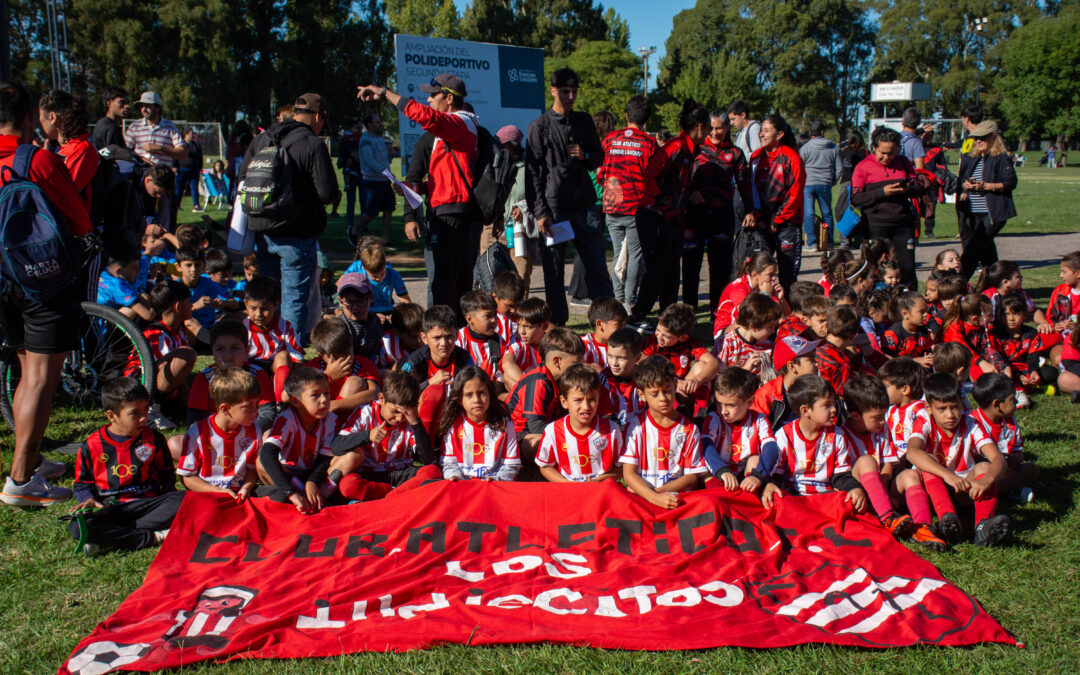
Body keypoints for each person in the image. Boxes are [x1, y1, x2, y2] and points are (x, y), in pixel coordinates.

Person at [0, 82, 95, 506]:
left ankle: (31, 460)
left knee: (25, 372)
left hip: (1, 280)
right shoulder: (34, 158)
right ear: (26, 118)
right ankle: (21, 480)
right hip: (41, 279)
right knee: (41, 377)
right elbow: (78, 219)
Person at [358, 75, 480, 319]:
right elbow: (447, 179)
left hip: (452, 213)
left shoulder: (457, 123)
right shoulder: (459, 128)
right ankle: (453, 336)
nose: (428, 99)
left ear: (448, 98)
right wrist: (414, 189)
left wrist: (384, 93)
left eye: (433, 95)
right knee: (455, 281)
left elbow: (422, 115)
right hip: (454, 210)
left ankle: (445, 336)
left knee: (446, 284)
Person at [240, 92, 340, 342]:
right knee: (293, 298)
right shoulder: (312, 144)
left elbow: (241, 179)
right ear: (317, 116)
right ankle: (288, 352)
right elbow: (327, 193)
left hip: (262, 231)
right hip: (296, 233)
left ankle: (264, 347)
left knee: (267, 296)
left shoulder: (262, 139)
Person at [524, 68, 613, 324]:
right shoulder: (539, 126)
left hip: (585, 206)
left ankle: (606, 322)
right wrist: (540, 213)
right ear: (553, 91)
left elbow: (599, 158)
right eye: (565, 91)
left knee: (597, 267)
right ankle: (557, 325)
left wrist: (584, 155)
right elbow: (532, 174)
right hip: (554, 210)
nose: (570, 96)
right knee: (554, 272)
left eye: (574, 91)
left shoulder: (584, 121)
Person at [68, 378, 182, 555]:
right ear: (112, 416)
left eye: (146, 410)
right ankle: (152, 537)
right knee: (78, 526)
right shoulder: (92, 445)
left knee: (183, 500)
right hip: (111, 507)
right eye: (135, 413)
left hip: (147, 504)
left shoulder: (154, 438)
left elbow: (166, 473)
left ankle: (110, 538)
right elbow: (82, 484)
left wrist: (168, 492)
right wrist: (87, 499)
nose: (144, 418)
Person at [903, 373, 1010, 547]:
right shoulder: (925, 420)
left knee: (984, 467)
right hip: (933, 490)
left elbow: (998, 459)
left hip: (963, 489)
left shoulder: (971, 424)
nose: (950, 415)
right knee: (928, 461)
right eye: (942, 409)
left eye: (954, 407)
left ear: (962, 403)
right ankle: (948, 519)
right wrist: (947, 475)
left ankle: (983, 527)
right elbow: (912, 452)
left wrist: (987, 480)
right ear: (928, 408)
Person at [598, 95, 666, 311]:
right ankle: (628, 301)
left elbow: (601, 174)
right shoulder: (649, 144)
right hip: (637, 208)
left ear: (627, 115)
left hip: (612, 206)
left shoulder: (609, 140)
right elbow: (657, 176)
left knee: (619, 253)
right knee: (635, 255)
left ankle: (618, 299)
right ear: (646, 119)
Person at [841, 375, 928, 543]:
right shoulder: (841, 435)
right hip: (861, 495)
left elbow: (888, 463)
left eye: (884, 415)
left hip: (883, 487)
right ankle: (887, 518)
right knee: (867, 461)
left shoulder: (883, 427)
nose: (882, 421)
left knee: (910, 475)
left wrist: (884, 489)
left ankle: (922, 527)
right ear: (855, 415)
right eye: (876, 417)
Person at [761, 375, 867, 513]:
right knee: (776, 501)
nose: (834, 409)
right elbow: (777, 475)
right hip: (793, 495)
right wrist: (771, 485)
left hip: (826, 495)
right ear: (805, 411)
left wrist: (854, 488)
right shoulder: (784, 435)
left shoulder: (837, 435)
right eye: (827, 405)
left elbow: (841, 476)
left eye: (833, 403)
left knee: (846, 502)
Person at [331, 371, 441, 501]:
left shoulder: (411, 419)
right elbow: (336, 446)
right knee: (348, 484)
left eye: (405, 413)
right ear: (381, 399)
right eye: (394, 411)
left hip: (401, 473)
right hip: (370, 474)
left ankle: (388, 497)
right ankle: (399, 496)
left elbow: (427, 460)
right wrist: (368, 435)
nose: (400, 418)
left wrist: (416, 422)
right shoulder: (365, 413)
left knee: (432, 472)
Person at [683, 110, 753, 311]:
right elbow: (681, 177)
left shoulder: (736, 154)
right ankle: (689, 311)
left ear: (727, 128)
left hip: (722, 215)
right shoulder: (694, 150)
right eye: (711, 128)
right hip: (694, 215)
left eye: (719, 128)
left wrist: (750, 211)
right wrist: (690, 193)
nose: (714, 132)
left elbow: (745, 185)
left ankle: (718, 311)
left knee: (720, 267)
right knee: (690, 264)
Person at [619, 356, 707, 508]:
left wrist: (658, 493)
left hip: (676, 499)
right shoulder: (635, 426)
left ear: (675, 385)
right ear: (641, 395)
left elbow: (691, 477)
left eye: (667, 391)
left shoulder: (689, 429)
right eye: (654, 394)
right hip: (641, 496)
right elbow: (628, 474)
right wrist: (653, 497)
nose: (663, 398)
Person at [850, 126, 923, 290]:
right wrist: (881, 192)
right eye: (882, 153)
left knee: (907, 267)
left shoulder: (903, 162)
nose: (886, 157)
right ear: (874, 147)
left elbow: (919, 187)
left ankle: (908, 301)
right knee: (874, 268)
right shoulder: (863, 167)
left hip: (902, 223)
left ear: (897, 149)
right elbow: (856, 198)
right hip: (876, 224)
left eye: (891, 153)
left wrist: (908, 189)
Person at [257, 368, 338, 513]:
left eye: (327, 393)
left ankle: (317, 496)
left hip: (315, 474)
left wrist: (312, 481)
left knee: (351, 455)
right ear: (295, 401)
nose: (324, 400)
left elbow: (325, 459)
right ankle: (297, 496)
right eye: (315, 395)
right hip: (289, 475)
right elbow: (267, 455)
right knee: (260, 463)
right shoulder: (286, 420)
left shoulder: (331, 419)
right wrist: (291, 492)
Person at [176, 367, 262, 501]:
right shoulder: (198, 433)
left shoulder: (254, 430)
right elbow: (186, 476)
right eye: (248, 406)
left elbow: (251, 470)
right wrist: (216, 491)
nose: (256, 411)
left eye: (256, 404)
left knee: (276, 495)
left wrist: (246, 488)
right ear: (225, 409)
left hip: (239, 493)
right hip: (207, 493)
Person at [507, 326, 585, 463]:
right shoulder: (538, 382)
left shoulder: (560, 379)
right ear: (556, 361)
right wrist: (568, 437)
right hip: (518, 438)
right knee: (535, 444)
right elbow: (535, 427)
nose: (581, 367)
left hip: (546, 430)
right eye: (576, 363)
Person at [748, 114, 806, 291]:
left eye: (766, 131)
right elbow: (750, 190)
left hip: (787, 224)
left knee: (787, 275)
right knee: (761, 273)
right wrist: (757, 216)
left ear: (779, 134)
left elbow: (794, 194)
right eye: (761, 131)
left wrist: (777, 221)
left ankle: (787, 315)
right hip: (762, 224)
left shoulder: (792, 158)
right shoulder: (756, 158)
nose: (761, 135)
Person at [537, 365, 622, 482]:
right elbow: (545, 466)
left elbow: (622, 468)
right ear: (564, 402)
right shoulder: (552, 431)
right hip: (568, 491)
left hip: (602, 490)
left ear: (599, 398)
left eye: (592, 399)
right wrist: (567, 485)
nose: (586, 407)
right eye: (578, 400)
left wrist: (601, 480)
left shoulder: (612, 430)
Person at [956, 121, 1018, 281]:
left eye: (982, 138)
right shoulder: (974, 157)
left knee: (972, 250)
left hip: (992, 212)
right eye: (977, 138)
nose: (978, 141)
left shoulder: (1001, 158)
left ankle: (957, 286)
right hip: (973, 212)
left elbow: (1011, 182)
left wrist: (988, 186)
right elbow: (965, 179)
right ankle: (997, 285)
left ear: (993, 137)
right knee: (987, 254)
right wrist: (966, 186)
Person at [701, 366, 778, 494]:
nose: (724, 411)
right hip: (720, 472)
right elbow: (705, 446)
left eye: (730, 405)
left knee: (755, 459)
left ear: (749, 402)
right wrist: (722, 471)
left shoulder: (759, 420)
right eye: (719, 403)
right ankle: (721, 497)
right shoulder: (714, 418)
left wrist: (757, 476)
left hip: (746, 476)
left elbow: (771, 448)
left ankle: (747, 498)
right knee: (704, 471)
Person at [439, 367, 520, 481]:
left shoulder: (504, 423)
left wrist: (496, 479)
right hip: (462, 485)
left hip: (495, 485)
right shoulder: (453, 425)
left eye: (481, 393)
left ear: (490, 395)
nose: (476, 400)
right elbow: (449, 463)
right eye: (469, 395)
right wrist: (455, 477)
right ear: (459, 399)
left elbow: (510, 465)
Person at [304, 317, 381, 414]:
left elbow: (375, 393)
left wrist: (333, 405)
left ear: (351, 344)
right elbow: (290, 395)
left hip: (348, 422)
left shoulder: (362, 363)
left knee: (355, 382)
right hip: (320, 420)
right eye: (336, 358)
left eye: (347, 353)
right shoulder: (312, 368)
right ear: (321, 356)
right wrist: (327, 377)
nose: (344, 360)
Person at [751, 335, 820, 431]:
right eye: (811, 360)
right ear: (791, 366)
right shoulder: (767, 395)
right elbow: (756, 430)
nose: (817, 364)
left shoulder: (819, 390)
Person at [799, 120, 844, 251]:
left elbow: (799, 167)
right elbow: (839, 169)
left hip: (808, 183)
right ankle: (829, 242)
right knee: (827, 212)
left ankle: (811, 243)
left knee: (808, 212)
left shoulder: (805, 148)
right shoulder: (833, 148)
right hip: (825, 184)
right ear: (823, 132)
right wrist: (832, 181)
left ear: (810, 132)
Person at [714, 294, 782, 373]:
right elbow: (718, 378)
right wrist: (745, 370)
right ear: (753, 326)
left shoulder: (767, 342)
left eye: (775, 327)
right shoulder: (727, 343)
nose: (773, 331)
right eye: (770, 327)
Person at [355, 111, 395, 242]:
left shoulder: (380, 138)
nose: (380, 124)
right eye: (377, 122)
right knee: (372, 213)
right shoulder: (365, 140)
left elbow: (384, 160)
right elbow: (370, 161)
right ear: (369, 124)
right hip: (372, 181)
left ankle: (385, 239)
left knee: (389, 209)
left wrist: (390, 155)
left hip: (384, 180)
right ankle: (354, 230)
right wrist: (386, 172)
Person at [500, 298, 550, 391]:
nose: (522, 331)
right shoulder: (518, 341)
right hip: (528, 387)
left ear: (545, 326)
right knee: (507, 376)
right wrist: (530, 387)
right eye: (519, 325)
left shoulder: (552, 343)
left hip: (547, 389)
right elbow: (507, 363)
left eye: (528, 327)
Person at [600, 326, 645, 427]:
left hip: (644, 431)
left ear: (637, 358)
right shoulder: (604, 380)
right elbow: (606, 418)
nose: (614, 363)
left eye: (621, 358)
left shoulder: (645, 378)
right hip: (615, 432)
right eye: (610, 356)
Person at [456, 290, 503, 382]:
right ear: (469, 319)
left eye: (495, 315)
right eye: (488, 316)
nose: (494, 320)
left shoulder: (498, 341)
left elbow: (502, 378)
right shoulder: (458, 340)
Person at [582, 297, 628, 370]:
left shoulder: (624, 344)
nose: (623, 329)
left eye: (624, 325)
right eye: (618, 325)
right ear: (600, 324)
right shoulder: (584, 345)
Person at [338, 119, 362, 237]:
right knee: (351, 200)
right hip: (350, 172)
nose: (359, 130)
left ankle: (362, 225)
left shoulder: (360, 139)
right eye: (356, 128)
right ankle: (350, 224)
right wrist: (350, 157)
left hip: (361, 171)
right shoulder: (345, 139)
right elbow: (344, 154)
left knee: (363, 200)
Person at [91, 86, 128, 150]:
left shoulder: (103, 123)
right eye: (122, 102)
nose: (127, 106)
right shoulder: (109, 127)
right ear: (109, 104)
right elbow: (114, 156)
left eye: (127, 102)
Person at [176, 127, 203, 212]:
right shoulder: (180, 145)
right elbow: (175, 156)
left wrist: (200, 167)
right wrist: (174, 166)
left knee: (194, 187)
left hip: (194, 169)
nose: (192, 136)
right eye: (190, 134)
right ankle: (177, 205)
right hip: (182, 169)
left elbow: (200, 157)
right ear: (185, 135)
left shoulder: (196, 145)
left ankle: (196, 205)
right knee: (179, 188)